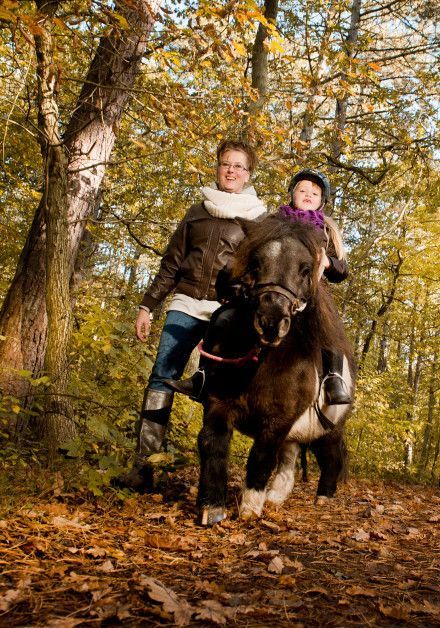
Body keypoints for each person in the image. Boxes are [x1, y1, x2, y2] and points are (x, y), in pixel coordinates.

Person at [121, 140, 267, 491]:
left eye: (238, 166)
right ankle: (143, 468)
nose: (231, 171)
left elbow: (259, 273)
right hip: (185, 304)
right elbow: (171, 264)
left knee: (215, 392)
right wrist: (147, 305)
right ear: (218, 168)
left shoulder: (259, 219)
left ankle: (209, 478)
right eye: (225, 164)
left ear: (248, 175)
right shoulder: (196, 211)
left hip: (226, 314)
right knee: (161, 377)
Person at [169, 168, 352, 406]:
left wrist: (327, 262)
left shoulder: (326, 231)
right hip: (267, 287)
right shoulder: (272, 221)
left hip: (308, 291)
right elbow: (249, 252)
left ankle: (333, 378)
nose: (308, 195)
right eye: (302, 190)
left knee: (330, 325)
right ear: (292, 194)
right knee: (223, 317)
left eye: (315, 193)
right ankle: (203, 376)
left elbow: (343, 270)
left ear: (321, 201)